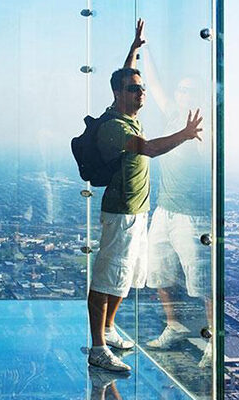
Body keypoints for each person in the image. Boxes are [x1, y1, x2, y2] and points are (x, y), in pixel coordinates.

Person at [87, 18, 204, 372]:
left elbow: (126, 72)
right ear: (119, 95)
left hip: (137, 213)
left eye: (142, 88)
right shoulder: (113, 127)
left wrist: (136, 48)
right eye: (134, 90)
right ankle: (97, 347)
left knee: (127, 277)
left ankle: (109, 330)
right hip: (120, 213)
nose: (142, 93)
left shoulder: (127, 110)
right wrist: (183, 135)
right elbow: (148, 149)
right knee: (107, 278)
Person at [130, 21, 214, 368]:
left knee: (202, 281)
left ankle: (212, 340)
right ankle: (174, 325)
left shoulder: (204, 126)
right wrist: (144, 47)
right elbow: (160, 86)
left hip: (193, 215)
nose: (181, 94)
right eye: (180, 90)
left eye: (188, 91)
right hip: (164, 210)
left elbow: (210, 163)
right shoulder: (172, 117)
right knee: (159, 271)